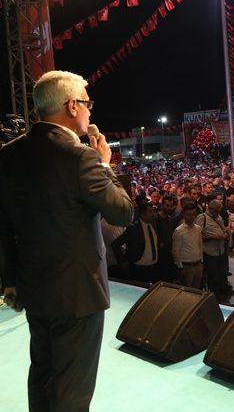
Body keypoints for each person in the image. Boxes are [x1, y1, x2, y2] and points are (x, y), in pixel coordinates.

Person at [0, 70, 133, 411]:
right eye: (87, 104)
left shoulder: (8, 154)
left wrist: (11, 282)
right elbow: (122, 212)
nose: (90, 112)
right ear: (72, 106)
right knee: (72, 388)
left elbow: (3, 228)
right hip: (78, 296)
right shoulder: (81, 157)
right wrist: (105, 165)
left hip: (34, 289)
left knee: (42, 375)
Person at [112, 201, 159, 282]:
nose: (153, 214)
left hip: (153, 267)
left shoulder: (152, 225)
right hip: (139, 269)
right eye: (150, 212)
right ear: (143, 214)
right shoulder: (133, 228)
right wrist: (123, 261)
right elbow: (115, 244)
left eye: (153, 211)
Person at [196, 199, 234, 298]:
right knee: (213, 276)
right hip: (209, 251)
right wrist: (214, 237)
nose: (218, 213)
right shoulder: (202, 218)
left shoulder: (218, 217)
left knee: (222, 272)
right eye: (217, 210)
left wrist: (226, 232)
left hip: (220, 250)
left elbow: (223, 228)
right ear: (211, 209)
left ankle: (223, 290)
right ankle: (215, 296)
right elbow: (198, 236)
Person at [172, 202, 203, 288]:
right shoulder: (179, 231)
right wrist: (180, 266)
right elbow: (175, 250)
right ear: (184, 215)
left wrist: (201, 261)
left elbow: (200, 245)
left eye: (193, 214)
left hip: (198, 264)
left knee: (197, 290)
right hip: (186, 266)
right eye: (189, 214)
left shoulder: (198, 228)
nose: (192, 217)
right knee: (187, 291)